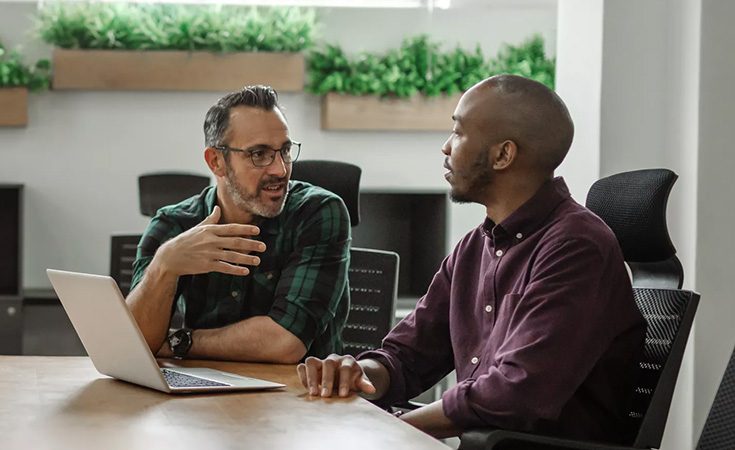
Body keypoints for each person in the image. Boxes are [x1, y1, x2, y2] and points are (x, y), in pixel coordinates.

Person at [297, 74, 646, 443]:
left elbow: (514, 395)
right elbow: (407, 356)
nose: (446, 148)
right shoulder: (474, 247)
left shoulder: (576, 247)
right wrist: (359, 373)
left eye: (459, 132)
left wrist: (388, 430)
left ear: (502, 155)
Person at [127, 85, 351, 364]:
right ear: (216, 161)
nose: (280, 169)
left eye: (285, 150)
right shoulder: (174, 224)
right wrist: (163, 266)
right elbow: (133, 345)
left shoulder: (317, 213)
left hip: (298, 398)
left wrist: (180, 342)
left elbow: (285, 343)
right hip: (202, 396)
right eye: (259, 154)